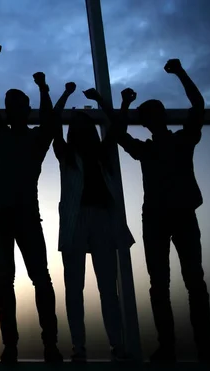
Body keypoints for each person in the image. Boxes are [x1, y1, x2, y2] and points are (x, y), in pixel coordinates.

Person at [115, 59, 210, 363]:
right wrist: (178, 74)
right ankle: (190, 347)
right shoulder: (173, 144)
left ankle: (180, 347)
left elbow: (121, 134)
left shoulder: (168, 145)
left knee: (176, 283)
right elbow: (198, 106)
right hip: (167, 217)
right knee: (182, 283)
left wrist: (179, 74)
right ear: (152, 121)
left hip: (167, 217)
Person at [0, 42, 62, 364]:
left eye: (17, 104)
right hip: (1, 215)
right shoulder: (2, 133)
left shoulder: (35, 138)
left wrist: (44, 89)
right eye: (10, 104)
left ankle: (49, 343)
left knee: (39, 277)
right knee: (11, 278)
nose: (11, 108)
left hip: (23, 216)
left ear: (25, 110)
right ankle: (12, 344)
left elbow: (50, 121)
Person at [49, 82, 135, 362]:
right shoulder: (70, 156)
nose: (80, 127)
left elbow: (117, 128)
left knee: (107, 287)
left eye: (83, 123)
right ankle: (80, 347)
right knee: (76, 288)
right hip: (79, 220)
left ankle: (114, 345)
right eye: (77, 124)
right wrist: (63, 95)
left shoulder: (100, 155)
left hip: (98, 220)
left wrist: (105, 100)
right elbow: (53, 125)